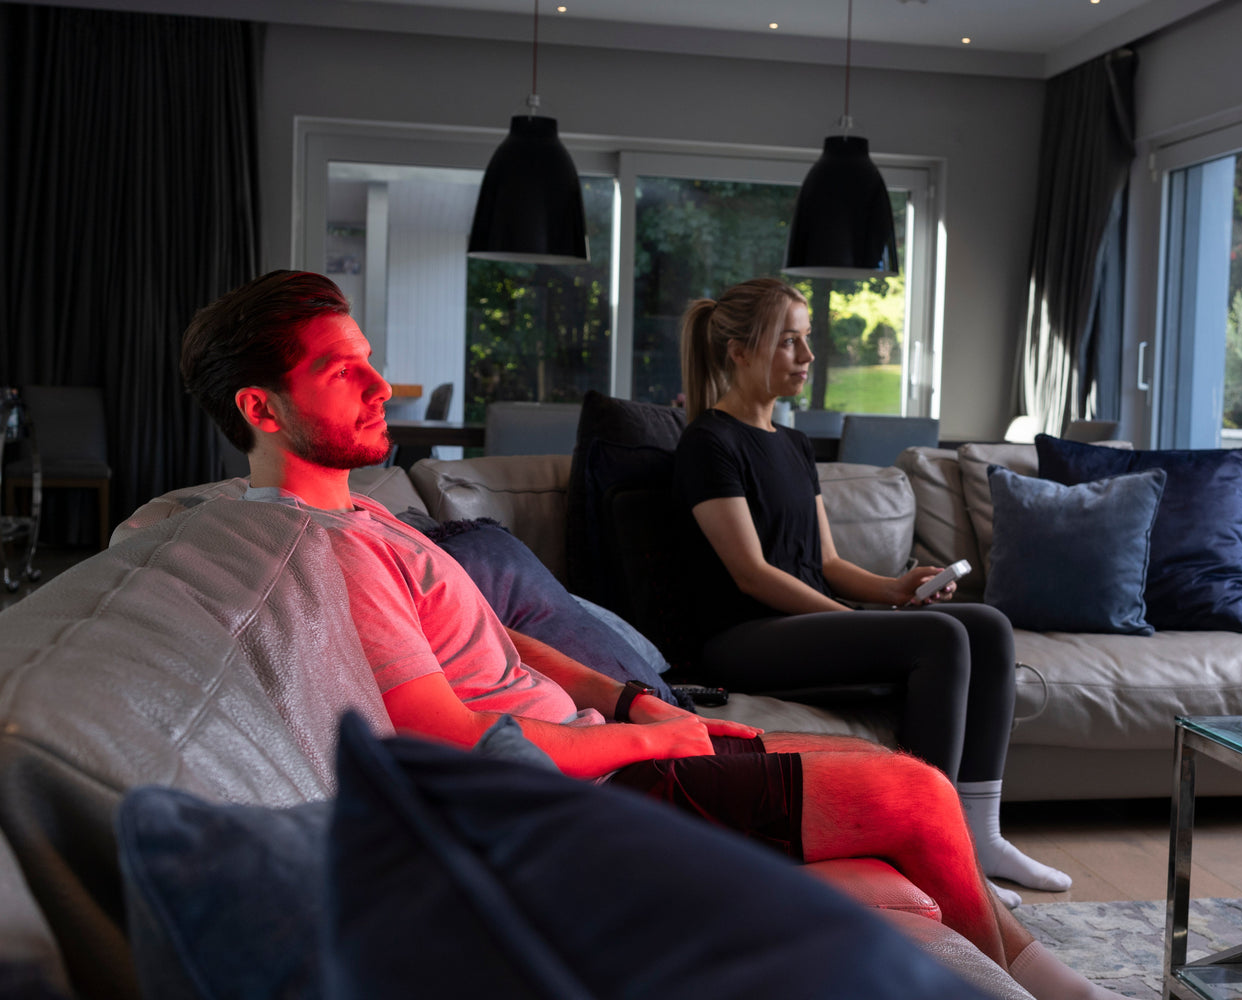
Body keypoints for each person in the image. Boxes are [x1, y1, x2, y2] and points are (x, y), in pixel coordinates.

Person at [179, 270, 1125, 1000]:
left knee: (894, 790)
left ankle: (1046, 974)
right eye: (341, 371)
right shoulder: (323, 549)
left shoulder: (371, 518)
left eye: (367, 357)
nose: (382, 383)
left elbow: (502, 641)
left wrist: (631, 701)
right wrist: (646, 741)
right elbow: (450, 738)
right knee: (912, 794)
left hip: (600, 745)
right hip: (578, 792)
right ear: (261, 409)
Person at [674, 277, 1069, 904]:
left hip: (801, 627)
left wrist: (894, 591)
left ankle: (982, 836)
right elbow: (751, 572)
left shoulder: (793, 445)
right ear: (739, 351)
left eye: (806, 340)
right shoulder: (708, 444)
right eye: (789, 342)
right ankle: (930, 846)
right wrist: (848, 619)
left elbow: (827, 561)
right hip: (741, 638)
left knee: (987, 625)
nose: (807, 356)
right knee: (939, 639)